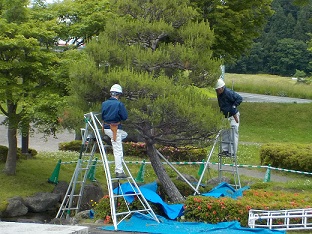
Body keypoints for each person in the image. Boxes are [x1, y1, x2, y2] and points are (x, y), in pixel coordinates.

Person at [101, 84, 128, 178]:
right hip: (115, 129)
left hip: (106, 128)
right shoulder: (119, 104)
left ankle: (109, 138)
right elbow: (124, 117)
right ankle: (119, 171)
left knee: (124, 135)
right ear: (118, 94)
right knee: (118, 151)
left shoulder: (104, 103)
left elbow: (102, 116)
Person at [215, 78, 243, 156]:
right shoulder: (219, 94)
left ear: (222, 87)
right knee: (224, 133)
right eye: (216, 90)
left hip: (233, 116)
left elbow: (239, 98)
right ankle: (225, 150)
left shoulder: (228, 92)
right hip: (225, 116)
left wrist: (233, 107)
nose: (217, 91)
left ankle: (232, 152)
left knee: (233, 133)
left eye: (218, 89)